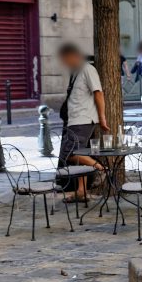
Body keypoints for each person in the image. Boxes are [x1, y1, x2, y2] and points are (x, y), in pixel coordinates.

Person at [57, 44, 107, 201]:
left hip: (83, 120)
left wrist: (102, 118)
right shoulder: (75, 72)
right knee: (80, 154)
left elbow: (98, 93)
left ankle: (101, 169)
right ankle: (81, 191)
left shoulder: (87, 69)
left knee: (70, 153)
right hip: (74, 121)